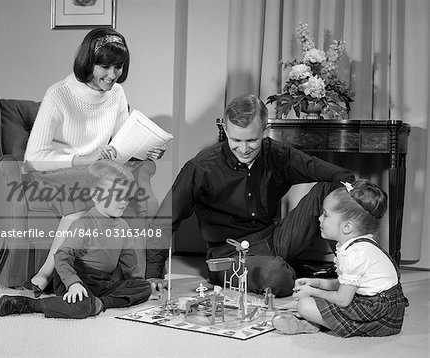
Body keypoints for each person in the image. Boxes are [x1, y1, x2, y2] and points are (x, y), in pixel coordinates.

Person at [145, 94, 355, 297]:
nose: (244, 149)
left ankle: (352, 270)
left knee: (333, 188)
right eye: (236, 140)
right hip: (228, 256)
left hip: (275, 239)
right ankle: (283, 271)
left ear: (265, 130)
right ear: (225, 130)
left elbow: (342, 176)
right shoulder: (201, 168)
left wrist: (352, 210)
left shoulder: (279, 155)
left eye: (252, 140)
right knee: (276, 277)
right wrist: (154, 273)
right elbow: (164, 220)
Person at [22, 27, 165, 296]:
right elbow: (34, 157)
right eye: (106, 67)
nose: (113, 76)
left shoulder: (117, 94)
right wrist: (82, 158)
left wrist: (145, 151)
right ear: (89, 62)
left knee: (96, 191)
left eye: (119, 67)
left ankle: (52, 273)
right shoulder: (59, 94)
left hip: (94, 169)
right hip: (53, 169)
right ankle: (45, 272)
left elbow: (122, 142)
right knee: (90, 192)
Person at [0, 160, 154, 319]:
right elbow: (62, 258)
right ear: (96, 195)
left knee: (144, 287)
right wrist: (73, 284)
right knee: (80, 306)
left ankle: (99, 303)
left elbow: (130, 265)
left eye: (127, 195)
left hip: (103, 282)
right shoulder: (83, 225)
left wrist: (140, 286)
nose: (124, 201)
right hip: (76, 276)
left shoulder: (123, 227)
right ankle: (29, 304)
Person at [272, 179, 408, 337]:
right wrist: (318, 283)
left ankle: (312, 324)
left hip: (379, 313)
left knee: (305, 305)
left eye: (325, 215)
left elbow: (343, 299)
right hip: (381, 304)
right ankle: (313, 322)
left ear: (347, 227)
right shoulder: (359, 244)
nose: (320, 219)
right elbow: (347, 284)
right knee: (310, 302)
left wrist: (313, 292)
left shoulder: (355, 254)